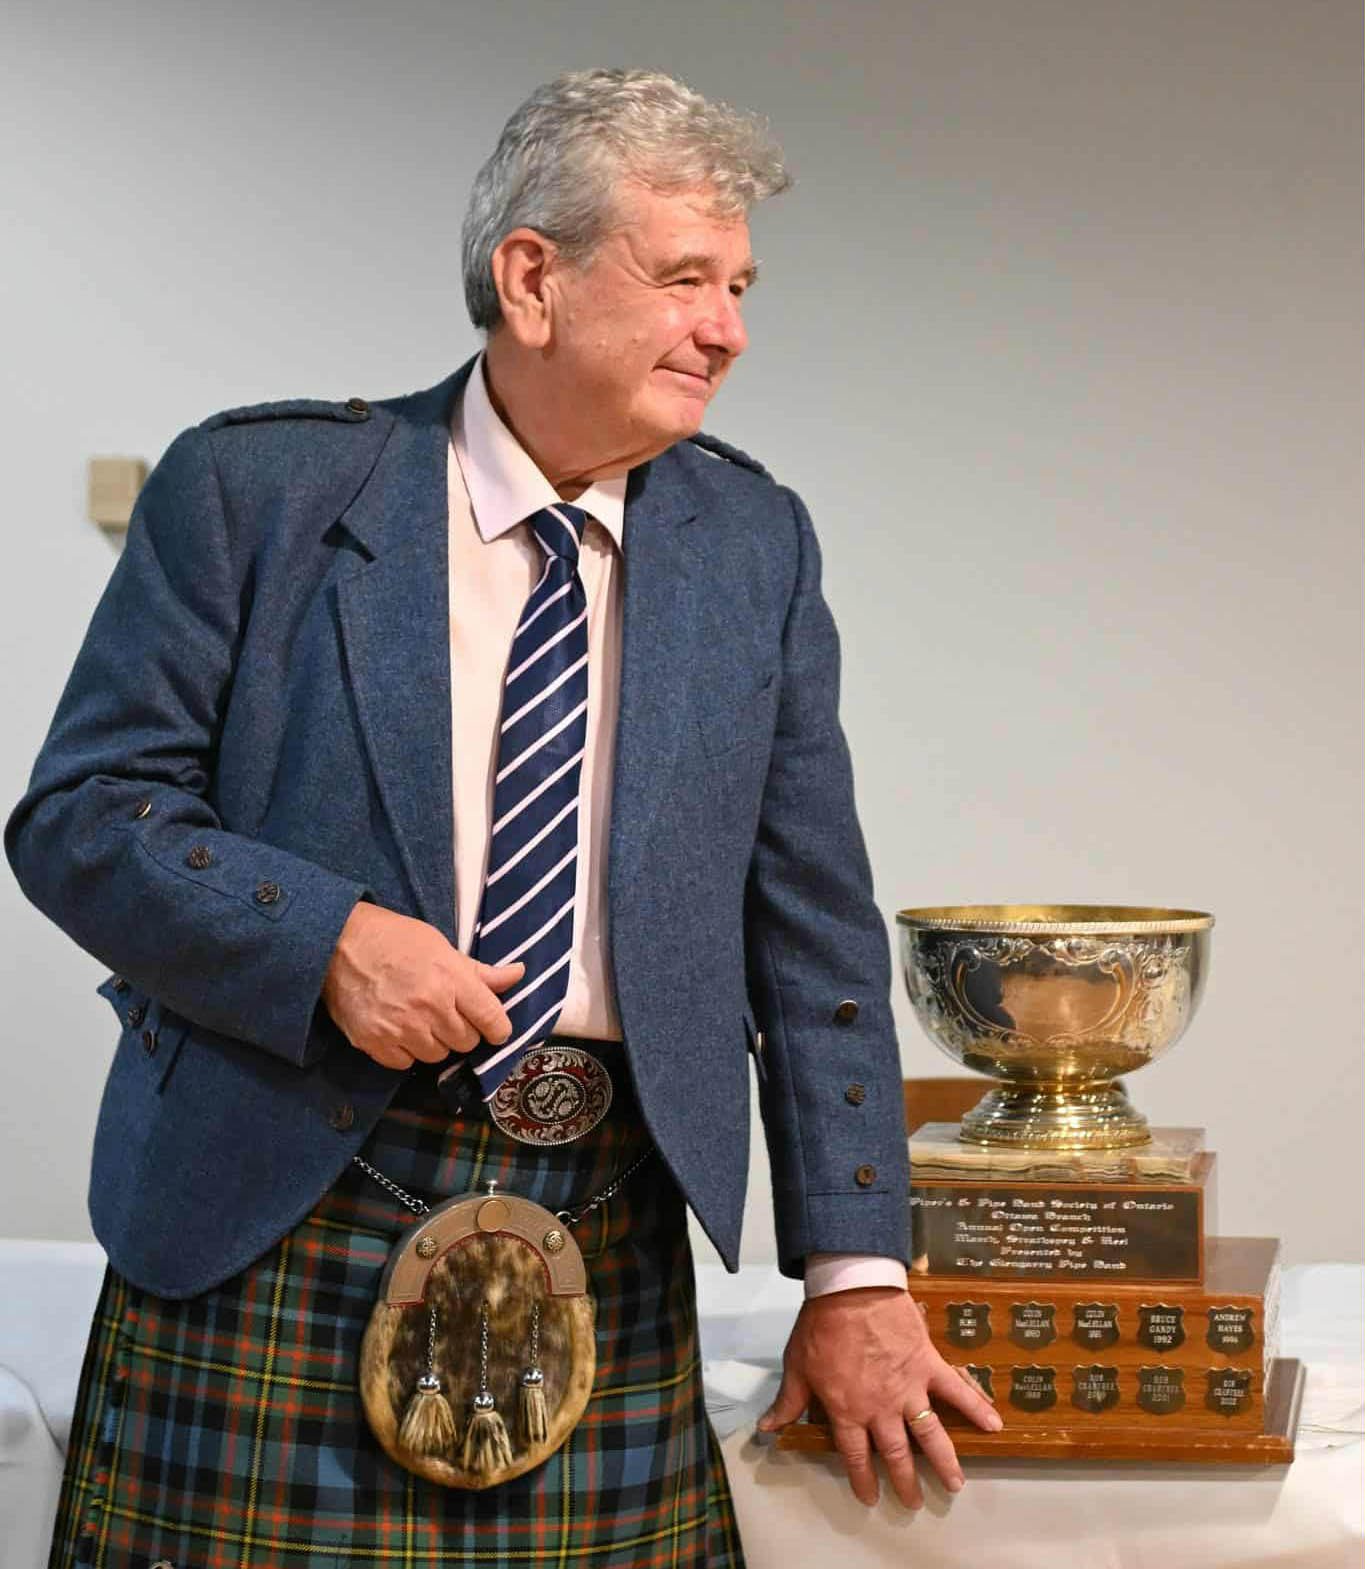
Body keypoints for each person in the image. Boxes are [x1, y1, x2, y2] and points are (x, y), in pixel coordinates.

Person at [7, 67, 1000, 1568]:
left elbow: (812, 932)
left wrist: (857, 1271)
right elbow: (82, 814)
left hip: (602, 1219)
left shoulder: (752, 544)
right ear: (531, 277)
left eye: (736, 285)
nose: (727, 328)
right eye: (683, 279)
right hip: (276, 1201)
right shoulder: (261, 488)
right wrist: (322, 936)